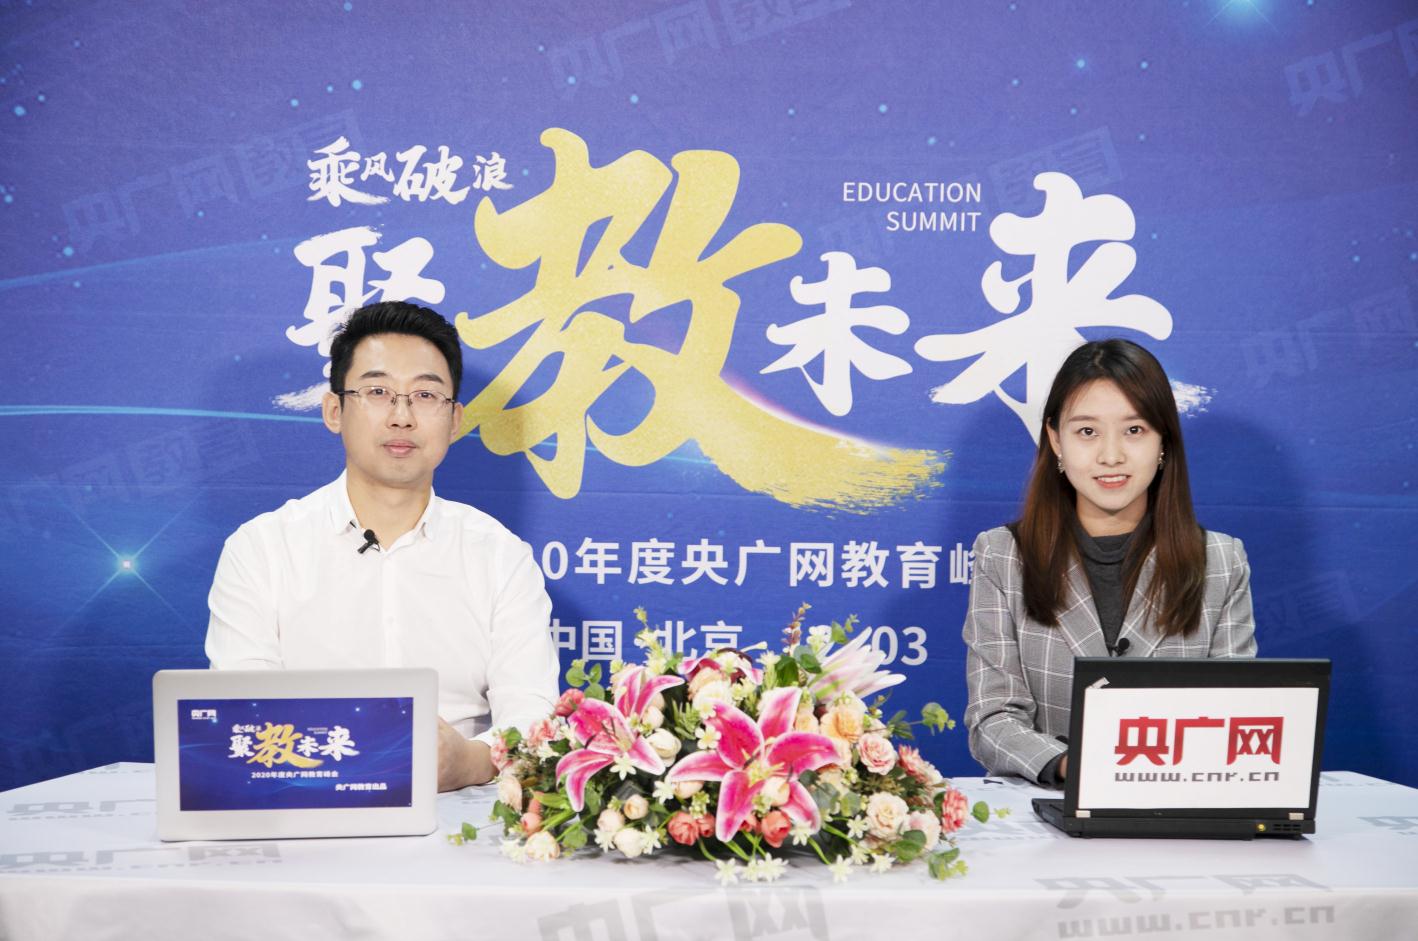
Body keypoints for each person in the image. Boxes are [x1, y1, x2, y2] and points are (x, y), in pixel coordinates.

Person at [206, 301, 559, 791]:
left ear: (454, 420)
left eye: (426, 395)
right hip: (300, 800)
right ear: (334, 411)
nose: (402, 416)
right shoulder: (262, 549)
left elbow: (533, 715)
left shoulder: (500, 557)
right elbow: (243, 710)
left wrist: (469, 762)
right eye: (377, 392)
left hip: (461, 808)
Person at [962, 339, 1256, 786]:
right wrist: (1074, 767)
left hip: (1178, 804)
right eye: (1087, 432)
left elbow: (1237, 712)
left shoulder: (1220, 560)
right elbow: (992, 719)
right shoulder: (1003, 554)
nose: (1111, 456)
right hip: (1053, 804)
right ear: (1055, 440)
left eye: (1134, 430)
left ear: (1163, 440)